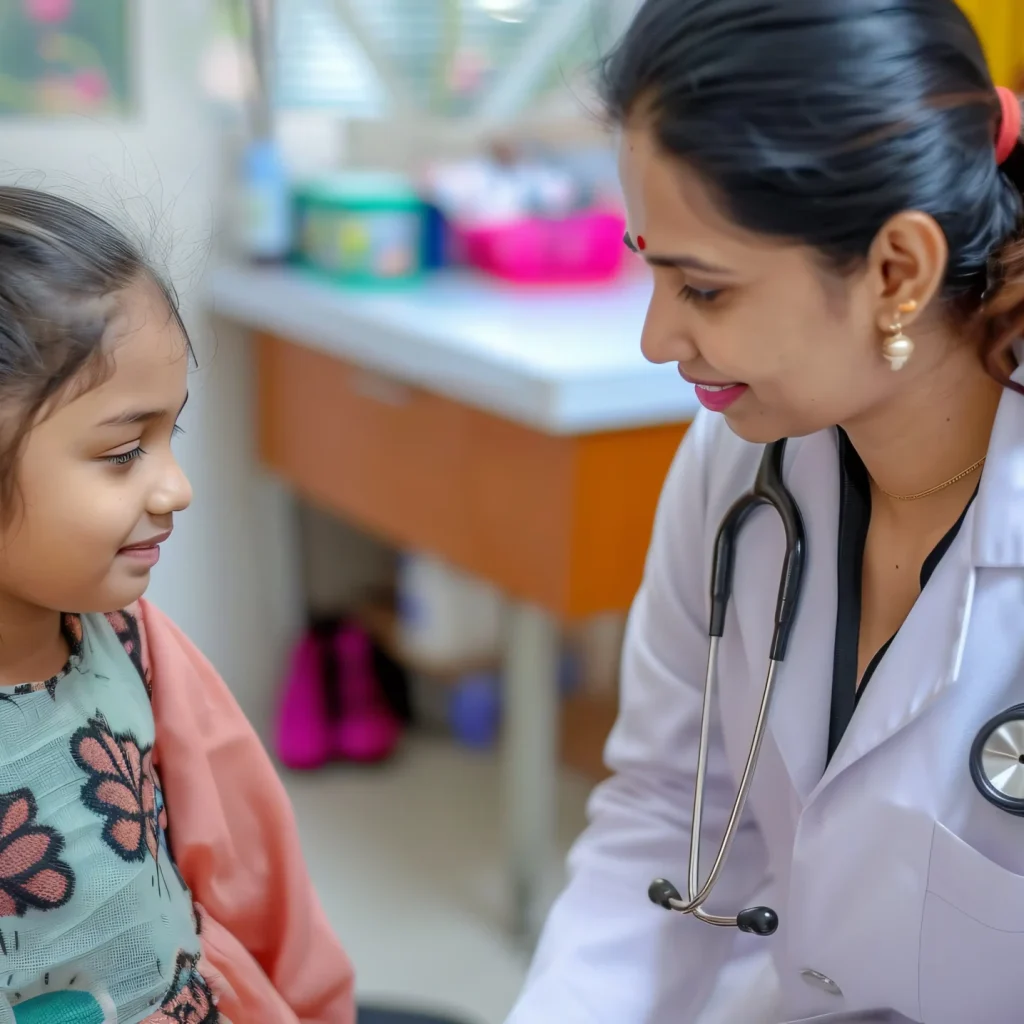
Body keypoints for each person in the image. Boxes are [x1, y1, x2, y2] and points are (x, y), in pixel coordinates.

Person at [506, 2, 1024, 1023]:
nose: (657, 340)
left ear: (895, 272)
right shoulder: (740, 471)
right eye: (648, 265)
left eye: (702, 289)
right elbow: (669, 812)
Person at [0, 187, 355, 1023]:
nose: (176, 489)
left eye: (170, 436)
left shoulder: (132, 644)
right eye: (123, 453)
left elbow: (256, 878)